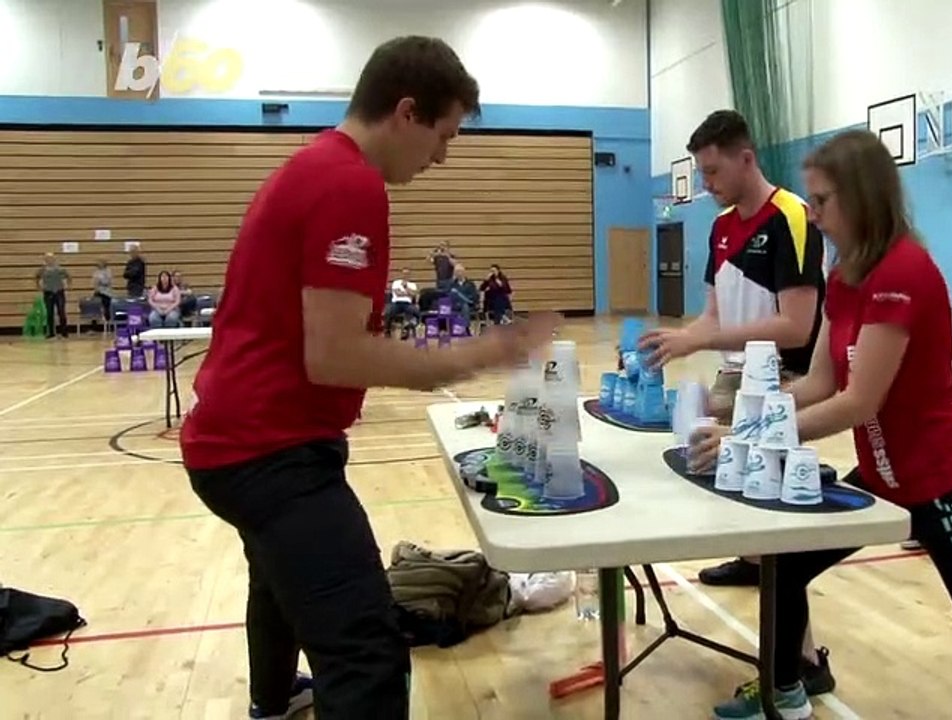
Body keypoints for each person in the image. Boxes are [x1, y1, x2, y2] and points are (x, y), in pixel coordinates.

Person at [179, 36, 560, 720]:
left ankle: (271, 704)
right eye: (442, 135)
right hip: (270, 453)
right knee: (366, 650)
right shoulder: (348, 183)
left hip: (232, 443)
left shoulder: (312, 167)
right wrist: (484, 351)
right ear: (406, 112)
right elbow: (337, 357)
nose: (442, 155)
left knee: (277, 580)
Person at [688, 130, 952, 720]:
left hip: (943, 486)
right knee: (783, 564)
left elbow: (857, 403)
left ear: (861, 198)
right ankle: (784, 690)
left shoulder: (902, 271)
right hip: (885, 477)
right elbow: (818, 384)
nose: (814, 214)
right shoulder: (845, 273)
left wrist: (747, 437)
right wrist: (741, 415)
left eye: (823, 201)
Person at [638, 109, 834, 694]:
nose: (706, 185)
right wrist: (685, 338)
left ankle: (806, 662)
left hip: (783, 382)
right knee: (713, 480)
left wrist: (700, 337)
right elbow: (714, 316)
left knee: (774, 520)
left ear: (746, 158)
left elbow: (797, 327)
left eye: (713, 171)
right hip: (733, 372)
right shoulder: (722, 226)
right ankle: (751, 562)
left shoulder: (795, 218)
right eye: (701, 173)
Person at [35, 252, 69, 338]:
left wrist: (66, 286)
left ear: (54, 259)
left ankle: (64, 332)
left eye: (51, 258)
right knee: (49, 313)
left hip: (59, 292)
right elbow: (36, 278)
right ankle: (51, 332)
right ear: (45, 260)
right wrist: (40, 287)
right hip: (48, 293)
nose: (49, 260)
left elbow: (68, 277)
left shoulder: (60, 269)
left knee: (61, 312)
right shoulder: (42, 270)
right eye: (47, 259)